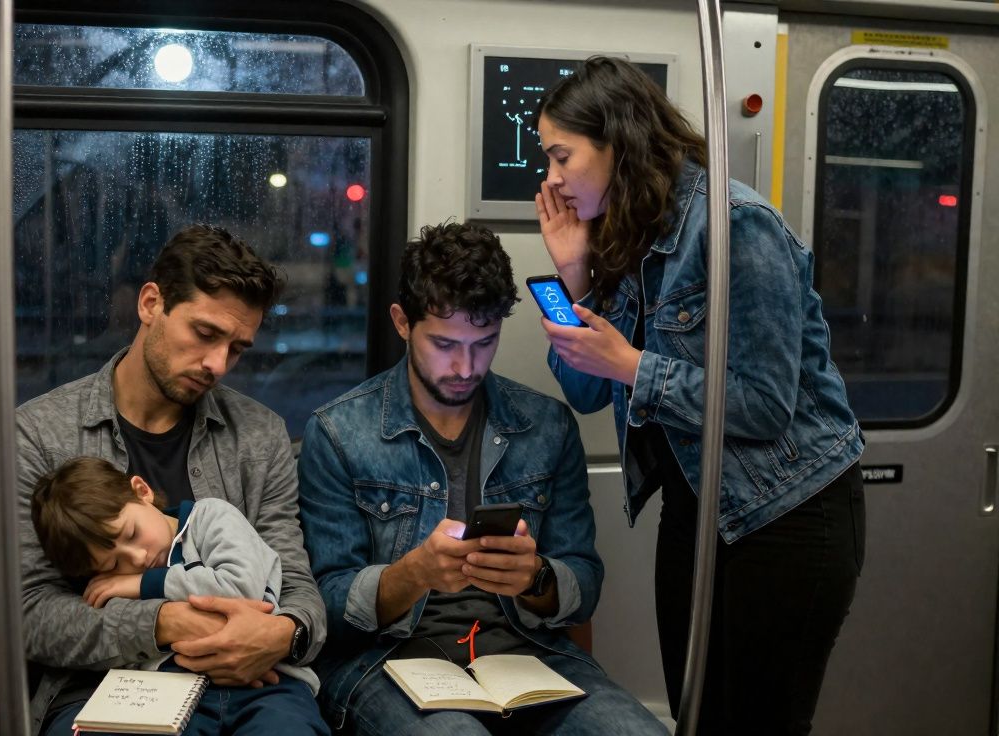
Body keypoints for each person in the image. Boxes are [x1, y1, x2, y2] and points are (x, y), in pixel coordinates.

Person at [532, 56, 865, 735]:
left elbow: (765, 405)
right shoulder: (625, 239)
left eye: (562, 156)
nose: (553, 179)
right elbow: (586, 390)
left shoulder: (735, 225)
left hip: (786, 512)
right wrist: (574, 276)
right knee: (698, 716)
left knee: (759, 720)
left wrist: (632, 364)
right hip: (695, 508)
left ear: (617, 145)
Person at [297, 222, 667, 735]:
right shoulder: (339, 433)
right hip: (387, 662)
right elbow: (324, 606)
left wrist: (535, 578)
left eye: (485, 342)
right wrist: (413, 574)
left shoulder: (547, 426)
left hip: (527, 655)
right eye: (446, 344)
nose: (465, 367)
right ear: (403, 323)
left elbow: (584, 579)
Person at [17, 224, 327, 735]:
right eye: (205, 334)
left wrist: (285, 633)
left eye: (237, 349)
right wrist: (164, 623)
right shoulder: (39, 434)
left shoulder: (260, 434)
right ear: (150, 303)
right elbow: (31, 614)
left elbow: (292, 578)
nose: (217, 365)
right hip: (110, 682)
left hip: (256, 682)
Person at [29, 457, 324, 734]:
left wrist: (145, 584)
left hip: (266, 683)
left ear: (142, 491)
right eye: (114, 564)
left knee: (287, 727)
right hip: (170, 691)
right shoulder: (110, 583)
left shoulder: (211, 517)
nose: (139, 558)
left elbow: (241, 588)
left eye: (132, 533)